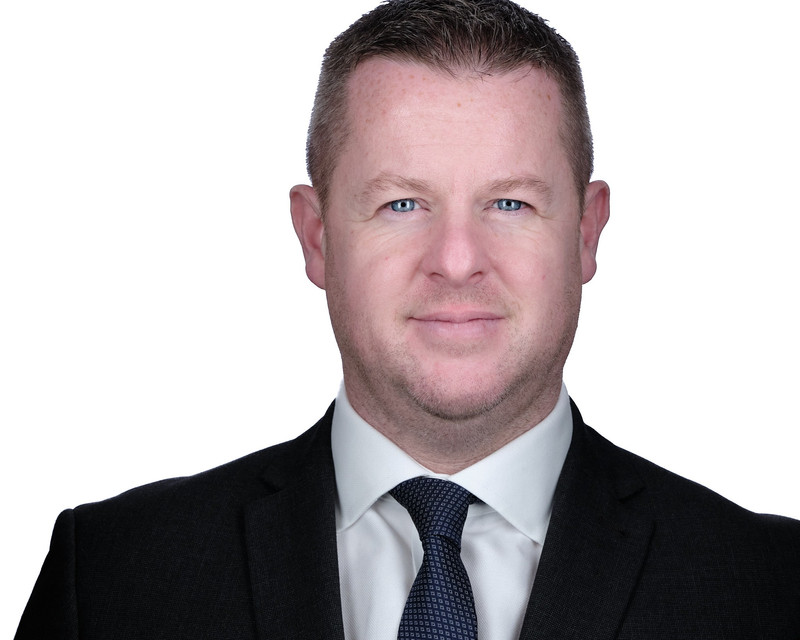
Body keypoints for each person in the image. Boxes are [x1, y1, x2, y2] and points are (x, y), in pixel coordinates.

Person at [15, 0, 800, 638]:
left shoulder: (773, 590)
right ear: (316, 237)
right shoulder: (115, 579)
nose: (457, 259)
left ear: (587, 234)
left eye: (509, 203)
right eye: (401, 204)